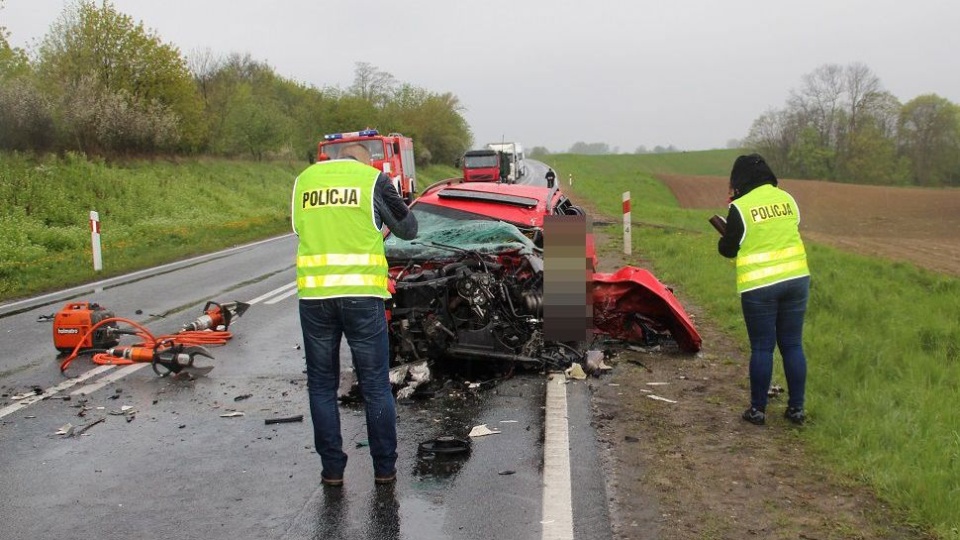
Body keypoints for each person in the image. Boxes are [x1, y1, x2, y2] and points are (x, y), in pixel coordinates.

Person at [291, 142, 418, 486]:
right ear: (365, 160)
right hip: (362, 297)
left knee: (321, 386)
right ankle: (384, 469)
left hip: (316, 297)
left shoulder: (304, 181)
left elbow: (300, 231)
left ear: (334, 159)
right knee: (375, 384)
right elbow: (409, 229)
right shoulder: (372, 180)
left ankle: (332, 471)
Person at [717, 154, 810, 426]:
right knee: (792, 344)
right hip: (797, 280)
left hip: (760, 286)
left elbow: (728, 250)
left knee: (762, 347)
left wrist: (727, 229)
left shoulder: (741, 208)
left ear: (740, 180)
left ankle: (758, 410)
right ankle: (796, 409)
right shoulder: (788, 199)